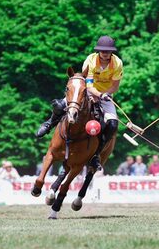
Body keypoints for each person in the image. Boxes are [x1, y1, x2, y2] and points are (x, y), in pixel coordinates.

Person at [35, 35, 123, 170]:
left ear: (112, 52)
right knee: (60, 105)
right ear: (98, 50)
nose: (105, 53)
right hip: (87, 91)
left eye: (107, 51)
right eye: (102, 51)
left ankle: (96, 155)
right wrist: (98, 94)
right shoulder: (91, 60)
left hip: (106, 96)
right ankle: (49, 124)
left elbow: (115, 85)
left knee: (112, 124)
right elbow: (87, 83)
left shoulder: (117, 63)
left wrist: (105, 95)